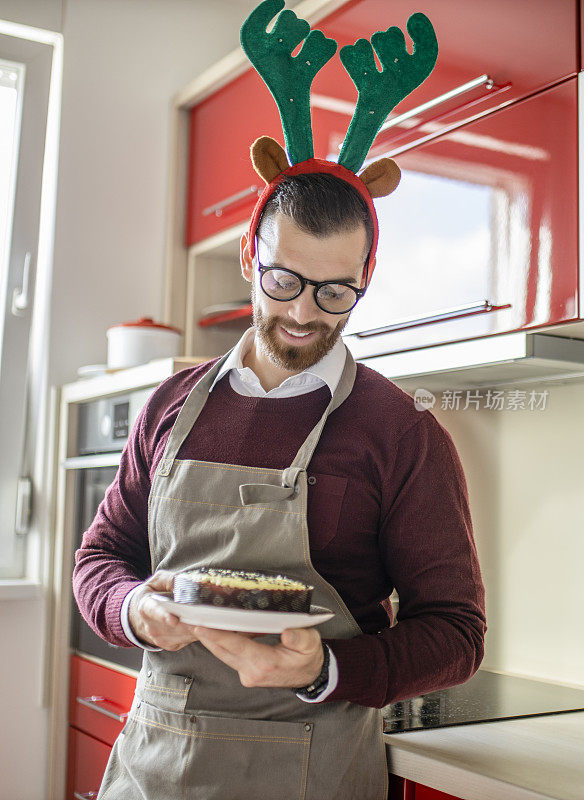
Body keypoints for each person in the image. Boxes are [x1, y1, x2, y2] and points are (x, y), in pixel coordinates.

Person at [74, 4, 485, 797]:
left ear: (366, 280)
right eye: (284, 280)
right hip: (154, 761)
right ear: (248, 255)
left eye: (336, 292)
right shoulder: (168, 406)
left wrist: (329, 666)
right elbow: (98, 560)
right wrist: (133, 609)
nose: (303, 313)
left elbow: (456, 635)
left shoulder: (401, 433)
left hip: (312, 766)